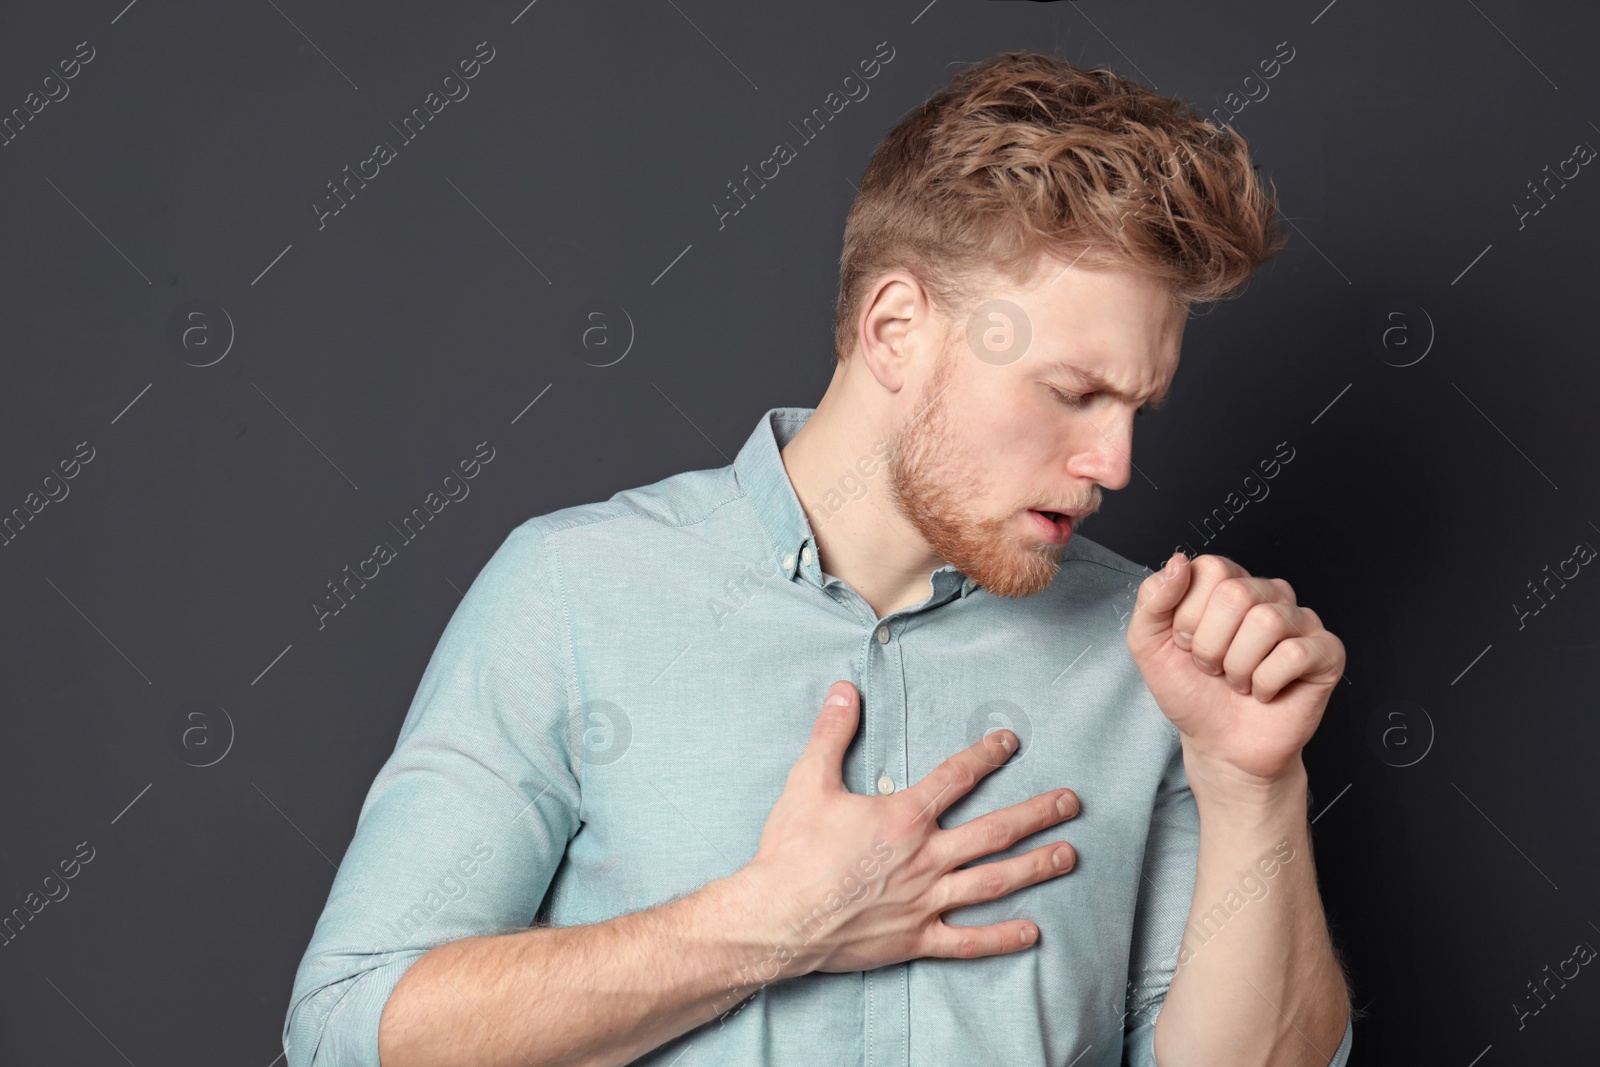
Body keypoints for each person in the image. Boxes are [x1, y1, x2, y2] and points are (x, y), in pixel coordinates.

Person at [283, 49, 1354, 1067]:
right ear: (894, 329)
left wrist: (1250, 780)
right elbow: (347, 1031)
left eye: (1136, 407)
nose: (1114, 462)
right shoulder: (575, 593)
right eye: (1072, 392)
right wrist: (769, 926)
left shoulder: (1153, 660)